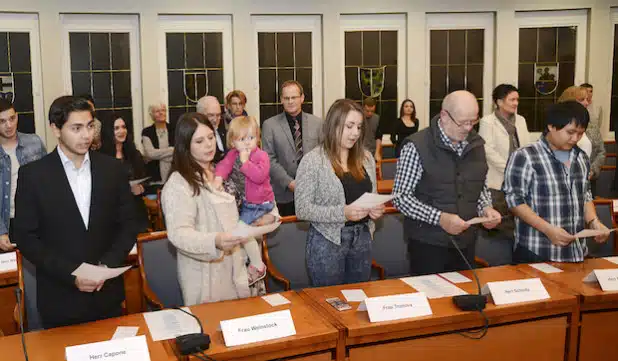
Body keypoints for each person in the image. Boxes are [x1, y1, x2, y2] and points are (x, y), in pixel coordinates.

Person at [14, 96, 137, 329]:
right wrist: (72, 275)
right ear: (56, 129)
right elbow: (26, 237)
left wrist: (105, 268)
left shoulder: (112, 169)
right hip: (60, 298)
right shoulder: (34, 176)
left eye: (90, 126)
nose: (86, 135)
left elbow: (128, 225)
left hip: (107, 296)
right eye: (76, 128)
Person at [161, 112, 279, 305]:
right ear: (185, 146)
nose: (208, 145)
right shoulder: (178, 184)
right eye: (199, 141)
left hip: (246, 267)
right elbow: (178, 234)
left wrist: (269, 218)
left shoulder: (226, 168)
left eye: (210, 137)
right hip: (208, 277)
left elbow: (263, 196)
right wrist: (215, 241)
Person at [393, 90, 501, 276]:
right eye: (463, 122)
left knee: (463, 298)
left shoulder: (476, 144)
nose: (468, 128)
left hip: (466, 241)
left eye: (473, 121)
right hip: (428, 243)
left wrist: (486, 208)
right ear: (444, 116)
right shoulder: (417, 145)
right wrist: (440, 218)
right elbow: (401, 198)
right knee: (434, 301)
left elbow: (479, 185)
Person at [503, 101, 609, 263]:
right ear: (551, 126)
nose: (575, 138)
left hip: (576, 252)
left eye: (580, 133)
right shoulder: (525, 156)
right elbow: (514, 201)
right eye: (570, 132)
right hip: (537, 250)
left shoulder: (581, 157)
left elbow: (585, 195)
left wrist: (594, 222)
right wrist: (548, 230)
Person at [296, 99, 383, 286]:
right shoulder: (313, 160)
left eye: (359, 127)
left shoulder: (366, 158)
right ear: (333, 125)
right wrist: (342, 212)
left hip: (362, 239)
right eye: (349, 126)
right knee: (329, 303)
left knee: (358, 299)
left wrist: (376, 209)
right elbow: (302, 209)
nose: (355, 133)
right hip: (327, 242)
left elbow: (373, 194)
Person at [213, 115, 275, 285]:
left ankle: (258, 265)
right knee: (243, 233)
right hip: (248, 204)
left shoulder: (261, 155)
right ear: (232, 142)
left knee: (242, 232)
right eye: (242, 139)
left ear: (258, 138)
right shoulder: (234, 154)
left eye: (251, 138)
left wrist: (246, 163)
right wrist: (218, 178)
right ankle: (251, 262)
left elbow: (260, 176)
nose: (247, 143)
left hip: (261, 203)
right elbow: (224, 165)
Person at [476, 84, 530, 266]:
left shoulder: (520, 120)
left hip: (519, 181)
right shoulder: (487, 121)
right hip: (497, 181)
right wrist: (509, 167)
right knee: (500, 229)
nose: (516, 103)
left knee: (519, 226)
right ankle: (498, 264)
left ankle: (517, 263)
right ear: (499, 102)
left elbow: (526, 146)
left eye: (517, 100)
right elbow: (487, 149)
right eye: (512, 99)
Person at [261, 80, 323, 216]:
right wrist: (289, 183)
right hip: (283, 194)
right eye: (286, 98)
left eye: (294, 97)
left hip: (313, 192)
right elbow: (269, 159)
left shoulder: (317, 123)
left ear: (302, 98)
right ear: (281, 100)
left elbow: (323, 155)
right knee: (287, 235)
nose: (290, 101)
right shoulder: (269, 125)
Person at [0, 99, 46, 252]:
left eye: (12, 119)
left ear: (17, 116)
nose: (9, 125)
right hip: (6, 222)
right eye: (2, 121)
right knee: (11, 274)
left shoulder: (34, 142)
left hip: (35, 220)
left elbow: (48, 179)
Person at [100, 114, 150, 233]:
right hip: (112, 212)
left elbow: (145, 178)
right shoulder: (101, 156)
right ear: (109, 131)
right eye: (116, 128)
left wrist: (142, 188)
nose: (122, 131)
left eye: (123, 127)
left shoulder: (134, 153)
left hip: (135, 209)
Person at [558, 86, 605, 186]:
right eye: (582, 100)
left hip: (588, 182)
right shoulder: (558, 126)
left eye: (587, 100)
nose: (586, 103)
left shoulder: (592, 127)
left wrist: (592, 171)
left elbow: (601, 152)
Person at [141, 102, 174, 188]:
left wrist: (158, 156)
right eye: (157, 111)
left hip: (173, 176)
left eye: (163, 110)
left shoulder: (174, 129)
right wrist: (171, 150)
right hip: (155, 179)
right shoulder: (147, 132)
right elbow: (150, 154)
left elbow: (178, 151)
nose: (161, 113)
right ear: (151, 115)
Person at [197, 96, 227, 162]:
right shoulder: (196, 137)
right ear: (200, 115)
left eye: (218, 115)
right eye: (211, 115)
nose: (215, 119)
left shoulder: (224, 128)